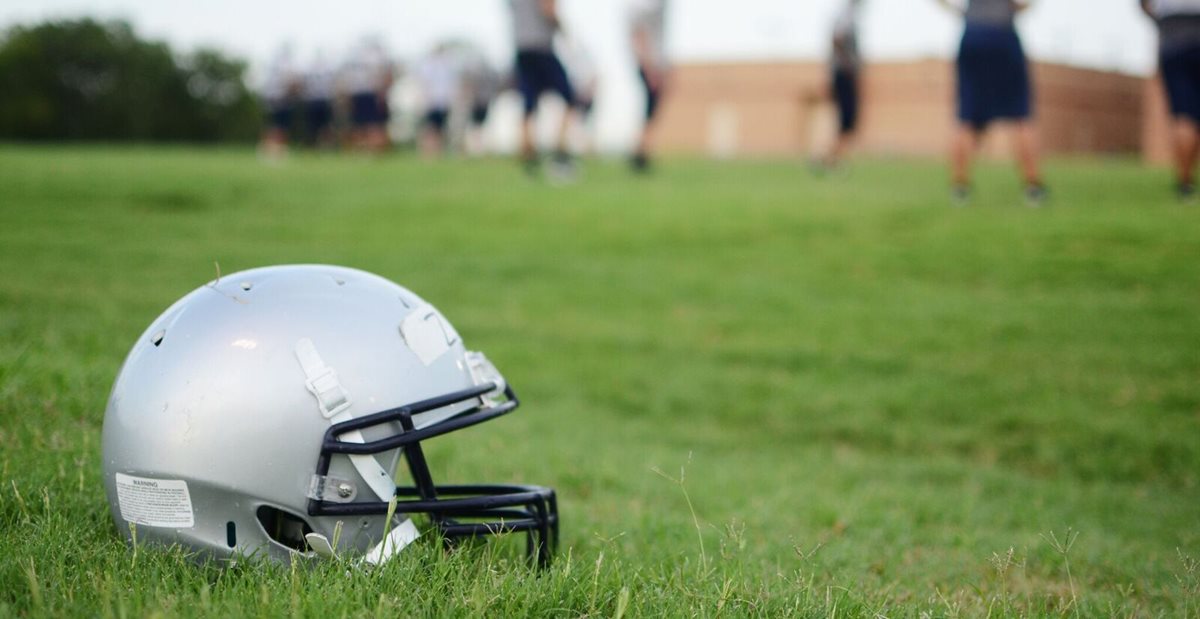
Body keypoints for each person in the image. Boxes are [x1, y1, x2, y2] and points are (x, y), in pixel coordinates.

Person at [936, 0, 1046, 206]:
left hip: (973, 35)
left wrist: (964, 13)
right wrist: (1012, 8)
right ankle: (1034, 189)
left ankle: (960, 189)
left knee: (966, 117)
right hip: (1003, 34)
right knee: (1021, 115)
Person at [509, 0, 578, 180]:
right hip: (541, 48)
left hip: (522, 49)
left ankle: (528, 157)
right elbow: (548, 7)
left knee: (529, 104)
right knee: (571, 98)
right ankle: (560, 152)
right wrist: (563, 29)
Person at [1141, 0, 1200, 201]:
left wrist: (1161, 23)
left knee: (1184, 115)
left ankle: (1185, 184)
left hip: (1173, 36)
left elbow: (1144, 5)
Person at [815, 0, 864, 171]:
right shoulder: (846, 16)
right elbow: (837, 38)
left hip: (843, 75)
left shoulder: (848, 16)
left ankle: (831, 159)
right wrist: (848, 65)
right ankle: (827, 159)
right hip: (844, 75)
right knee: (846, 121)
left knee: (847, 123)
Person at [629, 0, 669, 173]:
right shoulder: (646, 11)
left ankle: (641, 152)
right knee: (649, 111)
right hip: (650, 67)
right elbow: (639, 36)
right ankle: (640, 154)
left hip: (653, 66)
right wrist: (650, 68)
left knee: (651, 112)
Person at [341, 39, 394, 153]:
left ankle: (373, 149)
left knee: (372, 125)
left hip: (370, 94)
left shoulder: (365, 57)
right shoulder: (373, 57)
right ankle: (366, 149)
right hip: (364, 94)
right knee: (363, 125)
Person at [415, 44, 460, 157]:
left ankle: (439, 149)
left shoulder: (448, 65)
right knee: (431, 127)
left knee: (441, 127)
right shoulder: (429, 65)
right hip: (432, 102)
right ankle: (428, 150)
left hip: (443, 102)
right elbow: (424, 83)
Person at [259, 45, 299, 160]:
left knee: (277, 126)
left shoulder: (274, 65)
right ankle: (273, 150)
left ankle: (275, 150)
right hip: (278, 99)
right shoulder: (284, 66)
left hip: (276, 99)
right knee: (277, 127)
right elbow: (289, 83)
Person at [461, 54, 503, 156]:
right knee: (477, 126)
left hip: (481, 101)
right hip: (480, 101)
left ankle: (478, 147)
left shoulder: (482, 73)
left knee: (479, 126)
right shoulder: (487, 73)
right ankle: (476, 147)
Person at [301, 51, 336, 149]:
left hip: (322, 100)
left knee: (325, 127)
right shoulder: (310, 70)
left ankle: (325, 146)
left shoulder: (325, 70)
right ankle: (314, 146)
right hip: (315, 101)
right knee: (314, 127)